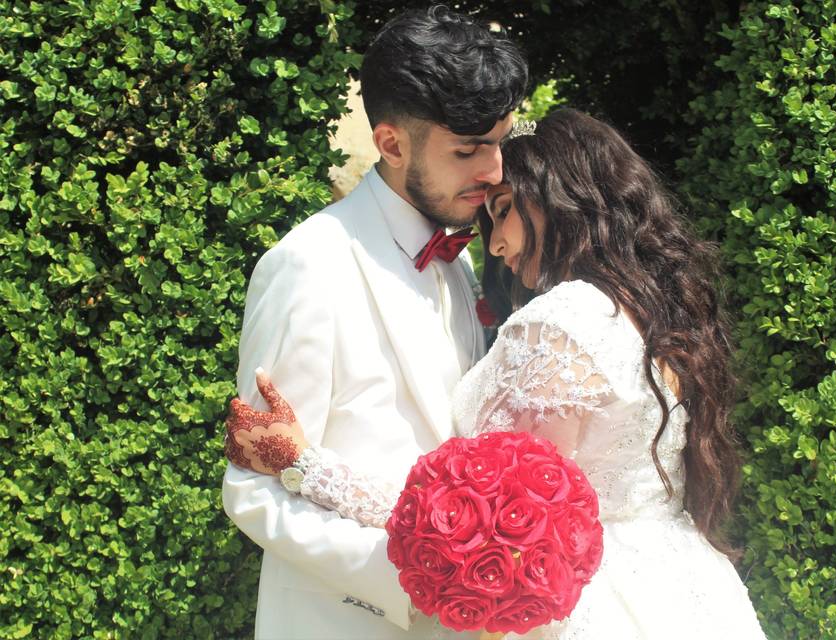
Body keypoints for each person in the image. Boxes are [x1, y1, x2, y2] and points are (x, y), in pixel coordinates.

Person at [227, 108, 767, 638]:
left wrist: (303, 464)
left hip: (578, 604)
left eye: (504, 209)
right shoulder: (648, 310)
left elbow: (482, 524)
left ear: (564, 197)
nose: (496, 244)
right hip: (675, 587)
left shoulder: (561, 323)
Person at [220, 5, 527, 639]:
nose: (494, 172)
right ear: (390, 143)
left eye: (499, 144)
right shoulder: (308, 265)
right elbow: (253, 487)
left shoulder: (456, 262)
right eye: (469, 150)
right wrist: (417, 580)